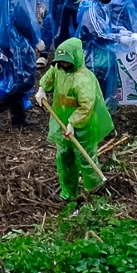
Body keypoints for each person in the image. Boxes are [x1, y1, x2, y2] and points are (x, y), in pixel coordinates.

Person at [37, 37, 110, 203]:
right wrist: (42, 89)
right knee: (64, 157)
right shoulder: (59, 68)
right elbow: (49, 76)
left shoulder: (83, 79)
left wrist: (72, 123)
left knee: (86, 159)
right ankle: (69, 192)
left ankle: (94, 191)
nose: (63, 65)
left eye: (67, 62)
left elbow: (86, 106)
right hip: (62, 121)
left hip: (84, 126)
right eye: (61, 61)